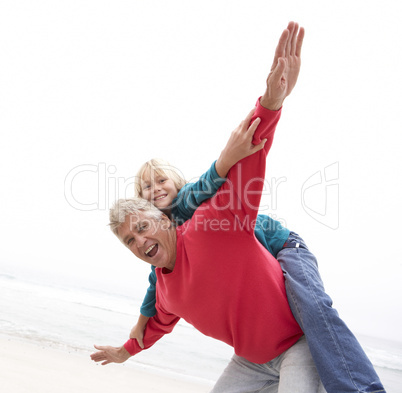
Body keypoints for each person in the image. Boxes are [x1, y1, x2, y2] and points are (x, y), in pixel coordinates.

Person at [128, 32, 385, 393]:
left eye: (160, 182)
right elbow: (156, 288)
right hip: (254, 353)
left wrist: (260, 116)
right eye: (146, 189)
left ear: (175, 181)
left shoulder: (193, 203)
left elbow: (212, 179)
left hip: (283, 245)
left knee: (311, 307)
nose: (155, 191)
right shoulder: (163, 242)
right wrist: (139, 327)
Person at [91, 22, 329, 392]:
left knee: (315, 303)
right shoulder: (164, 290)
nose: (138, 242)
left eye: (141, 228)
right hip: (251, 362)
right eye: (129, 240)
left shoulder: (209, 222)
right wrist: (126, 350)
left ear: (165, 222)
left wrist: (270, 103)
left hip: (298, 342)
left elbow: (248, 160)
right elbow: (154, 322)